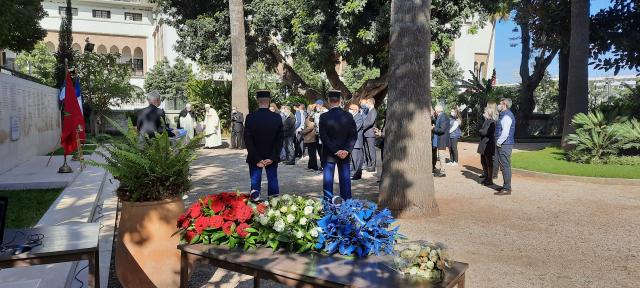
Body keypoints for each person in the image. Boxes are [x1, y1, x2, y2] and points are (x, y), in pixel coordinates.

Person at [244, 90, 284, 201]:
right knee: (273, 181)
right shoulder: (277, 118)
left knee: (255, 182)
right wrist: (272, 157)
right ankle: (274, 207)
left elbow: (247, 140)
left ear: (257, 101)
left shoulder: (250, 117)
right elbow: (280, 140)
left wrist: (257, 158)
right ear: (269, 101)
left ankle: (255, 207)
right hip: (271, 156)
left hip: (255, 157)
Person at [319, 91, 357, 204]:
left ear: (329, 101)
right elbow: (353, 135)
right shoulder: (348, 115)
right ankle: (347, 205)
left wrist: (336, 150)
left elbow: (324, 137)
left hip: (329, 154)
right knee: (345, 181)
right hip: (344, 154)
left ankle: (327, 205)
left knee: (328, 181)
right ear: (340, 101)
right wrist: (346, 150)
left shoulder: (324, 116)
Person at [494, 98, 516, 195]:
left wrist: (498, 142)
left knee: (505, 166)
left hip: (505, 144)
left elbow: (505, 132)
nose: (498, 105)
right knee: (504, 165)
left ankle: (507, 188)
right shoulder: (504, 115)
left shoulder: (506, 116)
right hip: (505, 143)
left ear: (504, 104)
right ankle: (506, 186)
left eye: (500, 103)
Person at [478, 105, 497, 186]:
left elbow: (485, 132)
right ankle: (486, 177)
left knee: (489, 162)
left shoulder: (492, 122)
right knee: (483, 161)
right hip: (483, 144)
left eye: (485, 112)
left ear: (488, 113)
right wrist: (481, 131)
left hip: (488, 145)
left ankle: (490, 179)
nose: (483, 113)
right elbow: (482, 131)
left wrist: (481, 131)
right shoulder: (486, 121)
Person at [431, 104, 449, 177]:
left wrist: (433, 129)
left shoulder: (443, 116)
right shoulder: (440, 116)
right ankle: (442, 170)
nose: (434, 111)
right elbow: (437, 122)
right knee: (440, 155)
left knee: (441, 156)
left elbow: (442, 130)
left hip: (442, 139)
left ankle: (442, 172)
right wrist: (432, 118)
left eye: (435, 110)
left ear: (437, 110)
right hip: (440, 139)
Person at [361, 98, 378, 172]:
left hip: (370, 134)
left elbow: (370, 122)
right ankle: (369, 165)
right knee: (367, 151)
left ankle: (373, 166)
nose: (366, 104)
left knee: (371, 151)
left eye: (367, 102)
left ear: (371, 103)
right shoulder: (369, 111)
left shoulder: (373, 111)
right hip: (366, 133)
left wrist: (362, 127)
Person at [349, 103, 365, 180]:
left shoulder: (359, 117)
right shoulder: (352, 117)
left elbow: (355, 129)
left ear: (355, 110)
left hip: (357, 142)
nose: (349, 110)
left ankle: (357, 174)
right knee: (352, 159)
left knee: (357, 160)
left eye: (350, 109)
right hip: (352, 142)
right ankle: (351, 173)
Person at [313, 100, 328, 171]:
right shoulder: (316, 112)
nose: (316, 107)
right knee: (319, 150)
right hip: (317, 134)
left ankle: (324, 165)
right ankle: (322, 164)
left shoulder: (326, 112)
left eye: (316, 105)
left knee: (323, 150)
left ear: (320, 105)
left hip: (324, 134)